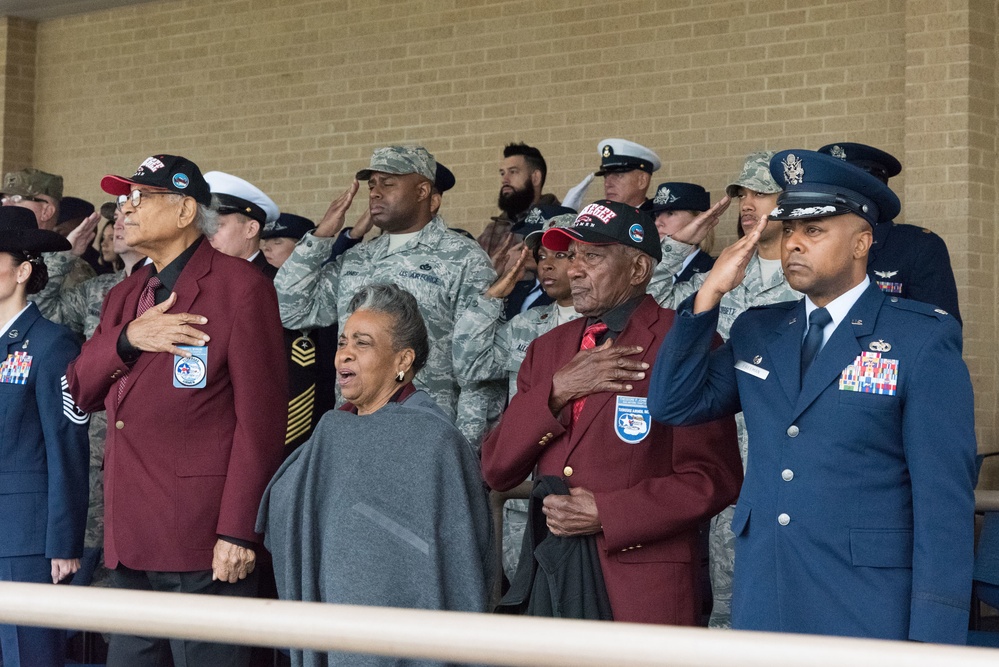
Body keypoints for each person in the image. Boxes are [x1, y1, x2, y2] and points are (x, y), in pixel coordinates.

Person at [649, 150, 976, 643]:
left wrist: (934, 639)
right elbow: (674, 403)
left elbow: (943, 505)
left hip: (866, 605)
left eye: (815, 231)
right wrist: (707, 299)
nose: (794, 245)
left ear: (862, 242)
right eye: (789, 232)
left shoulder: (920, 340)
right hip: (767, 595)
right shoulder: (760, 331)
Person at [66, 154, 287, 667]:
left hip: (204, 541)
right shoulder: (126, 294)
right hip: (131, 538)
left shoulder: (239, 287)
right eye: (124, 199)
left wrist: (238, 531)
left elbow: (261, 422)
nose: (126, 210)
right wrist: (127, 338)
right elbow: (79, 388)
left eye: (141, 198)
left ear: (187, 210)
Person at [481, 200, 742, 624]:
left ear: (637, 270)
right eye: (570, 257)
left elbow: (714, 478)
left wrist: (609, 512)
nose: (574, 270)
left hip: (641, 588)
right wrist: (557, 392)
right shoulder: (547, 350)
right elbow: (496, 469)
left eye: (593, 257)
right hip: (555, 576)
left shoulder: (681, 343)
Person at [257, 283, 490, 667]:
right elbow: (283, 508)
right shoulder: (333, 428)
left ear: (403, 360)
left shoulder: (434, 440)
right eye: (342, 342)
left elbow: (459, 558)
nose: (344, 354)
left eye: (362, 344)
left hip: (405, 631)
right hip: (335, 615)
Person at [644, 151, 800, 628]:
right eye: (742, 194)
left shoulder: (812, 282)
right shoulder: (717, 276)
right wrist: (677, 247)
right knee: (729, 616)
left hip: (786, 476)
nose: (747, 204)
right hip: (724, 474)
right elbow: (647, 306)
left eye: (761, 193)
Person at [274, 145, 496, 446]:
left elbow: (476, 374)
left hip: (426, 436)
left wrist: (465, 452)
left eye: (388, 183)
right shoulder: (358, 258)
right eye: (372, 185)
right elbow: (291, 310)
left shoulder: (464, 258)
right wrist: (321, 237)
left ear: (422, 191)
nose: (375, 193)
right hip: (354, 429)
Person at [453, 205, 582, 580]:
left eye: (562, 254)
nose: (547, 264)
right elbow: (470, 364)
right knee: (521, 596)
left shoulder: (613, 327)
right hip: (524, 498)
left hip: (581, 499)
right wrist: (494, 295)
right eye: (542, 256)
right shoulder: (528, 324)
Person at [0, 206, 90, 667]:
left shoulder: (53, 343)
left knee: (28, 655)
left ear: (22, 270)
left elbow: (67, 446)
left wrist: (63, 541)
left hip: (24, 537)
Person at [817, 142, 962, 324]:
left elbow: (939, 332)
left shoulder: (918, 247)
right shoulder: (808, 244)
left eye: (844, 193)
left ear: (875, 193)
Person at [2, 168, 96, 317]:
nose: (5, 205)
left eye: (17, 198)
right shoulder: (6, 255)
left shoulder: (73, 268)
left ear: (46, 211)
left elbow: (52, 322)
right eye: (3, 199)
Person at [478, 142, 559, 260]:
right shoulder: (492, 230)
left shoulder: (559, 220)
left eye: (513, 172)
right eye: (502, 173)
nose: (504, 180)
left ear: (535, 177)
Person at [205, 170, 281, 278]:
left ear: (251, 229)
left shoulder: (277, 284)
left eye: (217, 225)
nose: (209, 236)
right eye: (206, 227)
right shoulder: (207, 277)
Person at [649, 182, 715, 283]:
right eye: (657, 215)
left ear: (699, 220)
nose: (657, 222)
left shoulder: (713, 270)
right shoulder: (644, 269)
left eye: (670, 213)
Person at [596, 138, 661, 209]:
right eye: (606, 176)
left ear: (642, 181)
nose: (607, 184)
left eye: (618, 175)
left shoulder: (657, 219)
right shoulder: (595, 219)